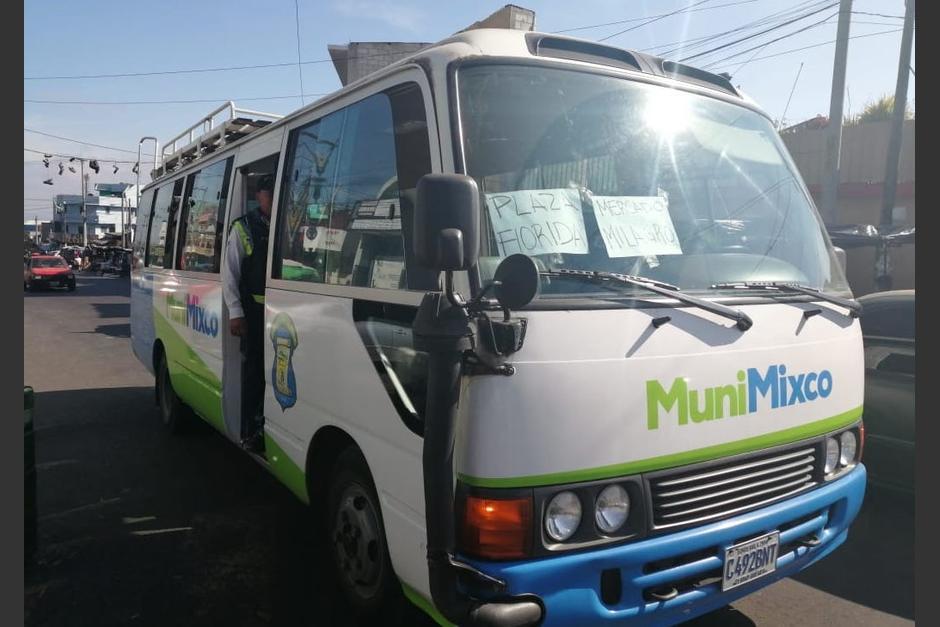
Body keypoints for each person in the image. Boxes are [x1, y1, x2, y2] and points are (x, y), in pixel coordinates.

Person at [222, 174, 274, 453]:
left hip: (280, 314)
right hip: (253, 313)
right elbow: (230, 274)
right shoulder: (244, 228)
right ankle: (251, 431)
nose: (273, 199)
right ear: (258, 197)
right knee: (255, 373)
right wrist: (236, 312)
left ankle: (271, 427)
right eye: (268, 194)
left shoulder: (286, 224)